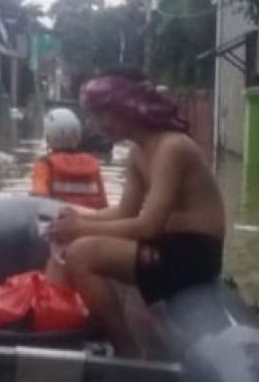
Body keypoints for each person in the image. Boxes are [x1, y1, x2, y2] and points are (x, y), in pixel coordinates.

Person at [46, 69, 227, 357]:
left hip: (193, 254)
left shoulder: (172, 147)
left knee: (82, 252)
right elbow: (124, 210)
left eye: (100, 115)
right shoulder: (138, 153)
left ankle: (127, 349)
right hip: (166, 246)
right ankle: (51, 330)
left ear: (126, 109)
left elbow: (148, 226)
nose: (94, 126)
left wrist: (82, 228)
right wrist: (76, 221)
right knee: (66, 242)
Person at [31, 108, 109, 211]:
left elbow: (39, 202)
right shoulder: (93, 163)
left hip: (60, 224)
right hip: (92, 223)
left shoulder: (45, 164)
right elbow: (104, 205)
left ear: (49, 136)